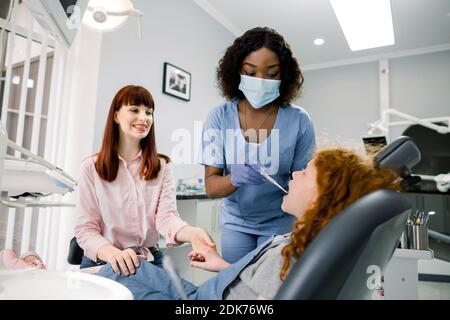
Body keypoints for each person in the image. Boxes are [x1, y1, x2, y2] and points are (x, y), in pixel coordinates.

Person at [95, 147, 400, 299]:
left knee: (111, 275)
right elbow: (259, 286)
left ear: (323, 198)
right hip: (208, 291)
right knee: (123, 268)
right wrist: (220, 264)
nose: (294, 174)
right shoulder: (300, 244)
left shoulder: (298, 254)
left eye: (305, 173)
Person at [200, 27, 316, 263]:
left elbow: (305, 182)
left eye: (271, 74)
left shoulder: (299, 120)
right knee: (236, 288)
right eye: (250, 73)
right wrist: (234, 178)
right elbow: (211, 187)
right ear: (236, 73)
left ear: (284, 75)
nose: (261, 82)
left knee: (272, 288)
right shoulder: (219, 117)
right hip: (236, 222)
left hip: (280, 221)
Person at [75, 85, 215, 276]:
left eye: (149, 112)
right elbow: (86, 230)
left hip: (148, 259)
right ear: (116, 116)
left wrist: (191, 233)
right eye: (134, 109)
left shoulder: (162, 166)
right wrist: (114, 254)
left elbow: (166, 218)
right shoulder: (91, 167)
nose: (144, 117)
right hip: (104, 259)